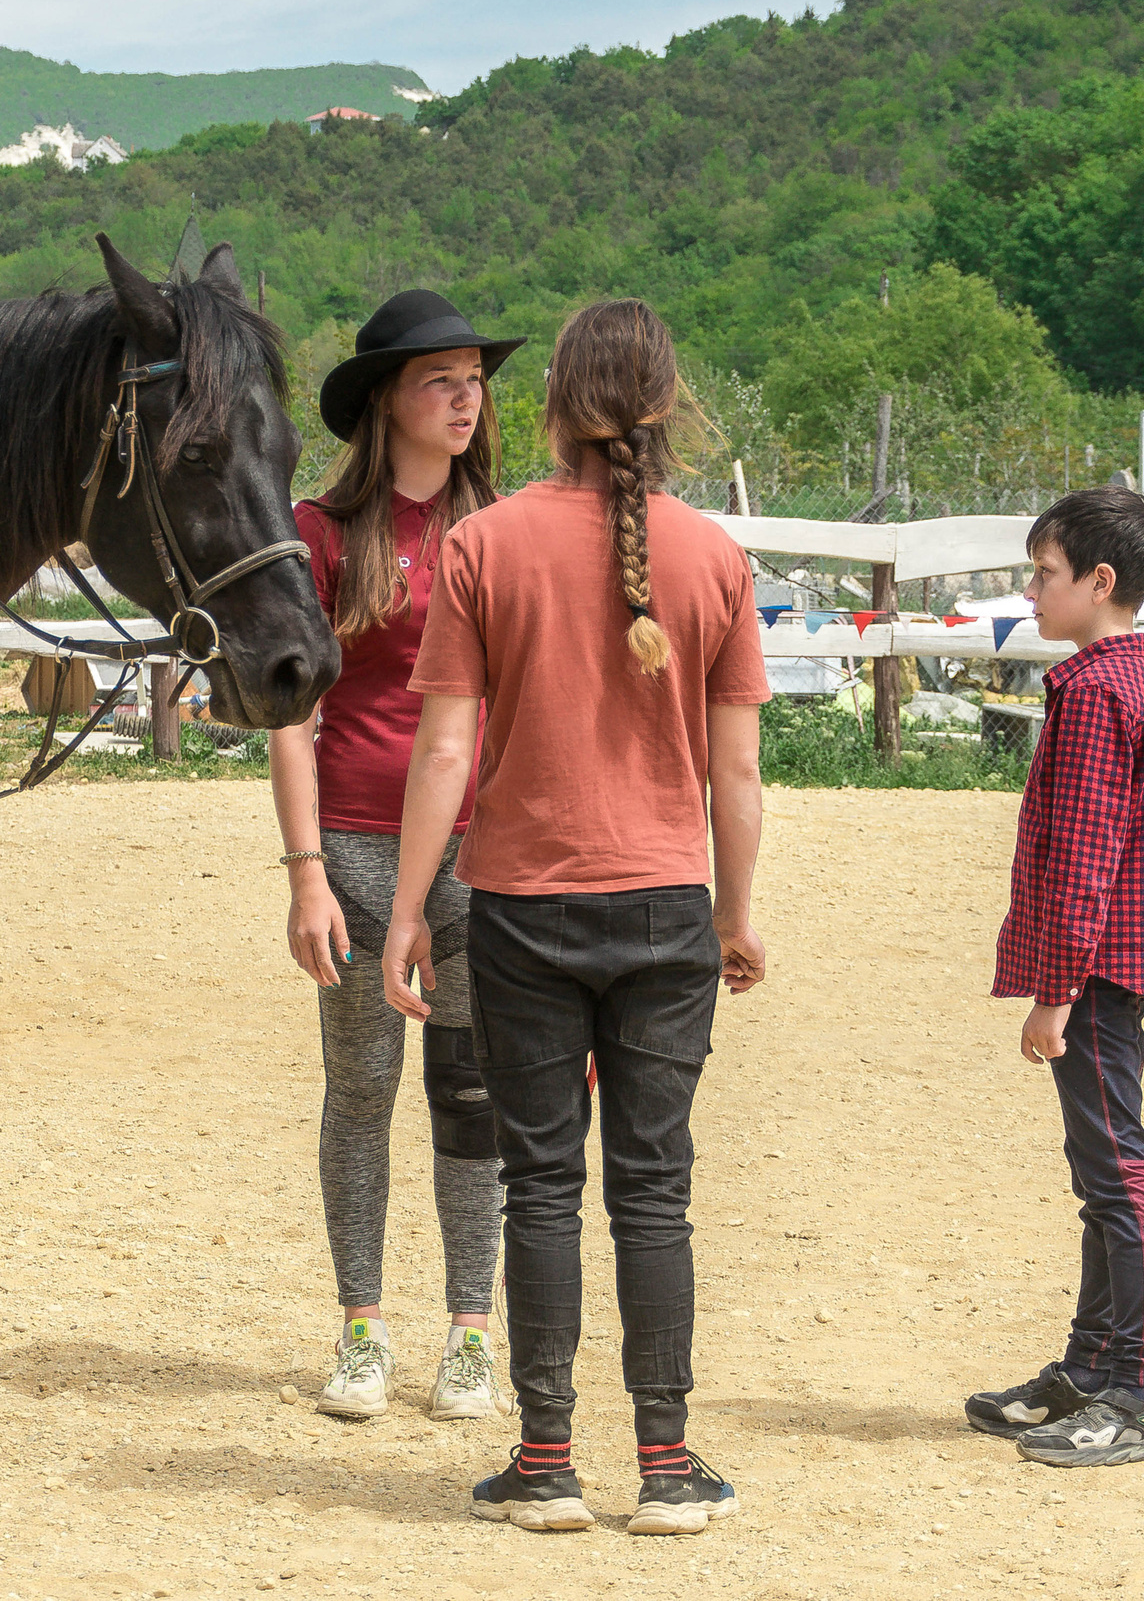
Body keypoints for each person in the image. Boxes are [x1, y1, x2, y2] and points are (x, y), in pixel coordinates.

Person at [382, 298, 768, 1536]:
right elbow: (736, 771)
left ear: (551, 402)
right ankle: (666, 1464)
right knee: (653, 1193)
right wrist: (734, 912)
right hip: (664, 907)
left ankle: (545, 1461)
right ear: (668, 404)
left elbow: (447, 750)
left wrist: (406, 909)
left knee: (539, 1184)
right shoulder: (713, 555)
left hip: (520, 908)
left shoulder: (483, 545)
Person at [270, 291, 518, 1421]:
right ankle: (362, 1325)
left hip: (484, 849)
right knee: (361, 1090)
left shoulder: (505, 528)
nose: (467, 399)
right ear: (385, 400)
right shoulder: (319, 532)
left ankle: (471, 1331)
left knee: (471, 1094)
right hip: (357, 848)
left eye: (476, 380)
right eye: (440, 380)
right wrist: (305, 871)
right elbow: (291, 716)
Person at [966, 488, 1144, 1468]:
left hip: (1094, 976)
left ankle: (1139, 1391)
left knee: (1115, 1175)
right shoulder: (1124, 681)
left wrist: (1054, 993)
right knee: (1100, 1172)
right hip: (1107, 967)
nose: (1031, 592)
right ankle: (1093, 1367)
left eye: (1044, 573)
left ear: (1100, 582)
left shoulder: (1100, 695)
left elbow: (1086, 863)